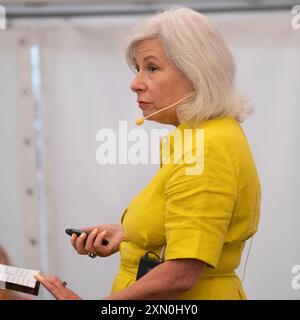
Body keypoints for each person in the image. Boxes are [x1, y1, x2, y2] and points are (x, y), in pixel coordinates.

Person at [35, 7, 261, 300]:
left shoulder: (208, 147)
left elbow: (182, 272)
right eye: (138, 68)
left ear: (196, 72)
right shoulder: (200, 135)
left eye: (151, 68)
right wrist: (128, 236)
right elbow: (185, 228)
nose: (135, 83)